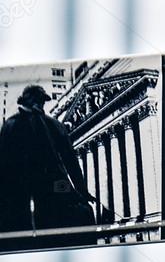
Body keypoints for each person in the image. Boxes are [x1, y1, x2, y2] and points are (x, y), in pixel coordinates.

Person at [0, 84, 96, 238]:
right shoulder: (54, 125)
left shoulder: (10, 125)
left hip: (22, 191)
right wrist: (82, 191)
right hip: (52, 187)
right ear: (37, 102)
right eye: (41, 102)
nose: (42, 106)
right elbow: (71, 163)